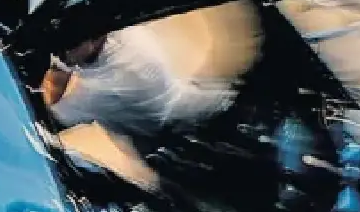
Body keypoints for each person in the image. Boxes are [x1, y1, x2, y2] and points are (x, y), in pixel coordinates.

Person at [41, 26, 234, 149]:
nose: (61, 54)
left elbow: (51, 120)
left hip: (186, 132)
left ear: (94, 39)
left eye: (67, 47)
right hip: (192, 103)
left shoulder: (113, 84)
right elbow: (59, 72)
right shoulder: (108, 31)